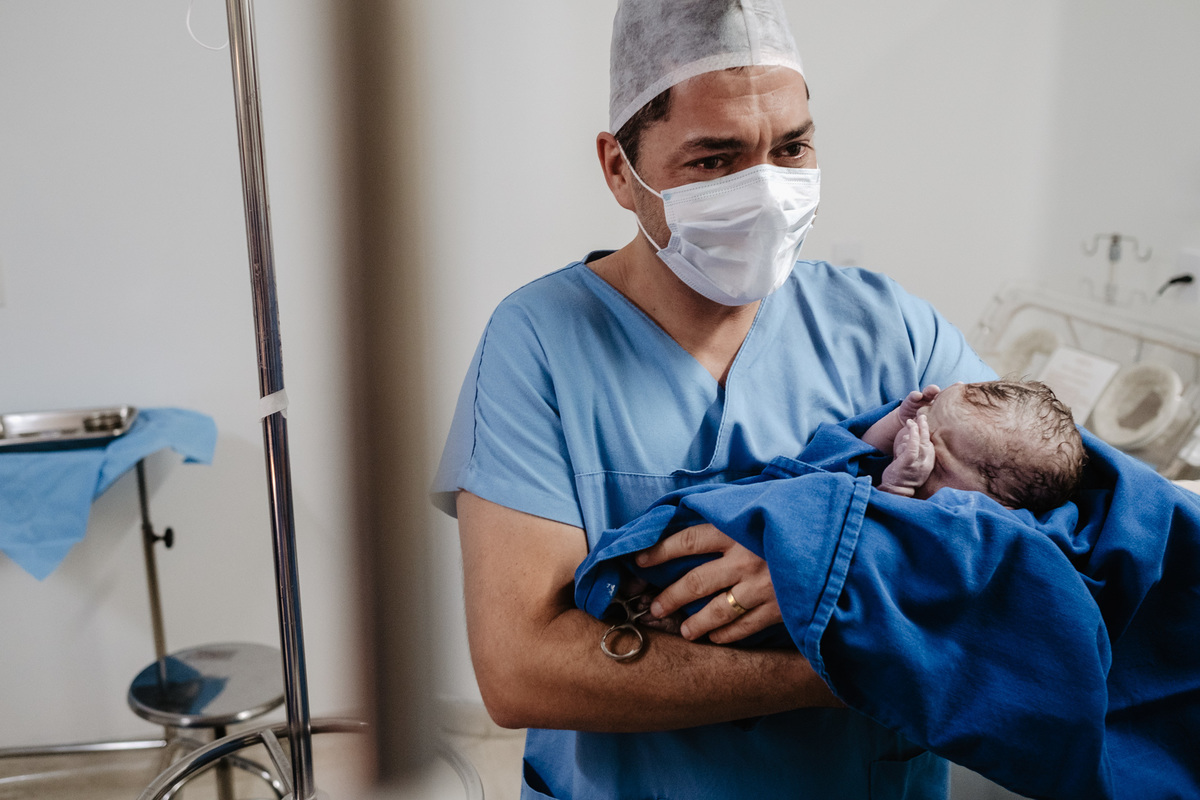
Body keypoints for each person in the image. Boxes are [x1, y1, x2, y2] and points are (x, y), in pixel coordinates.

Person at [433, 1, 995, 797]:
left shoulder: (888, 329)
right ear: (618, 171)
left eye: (791, 147)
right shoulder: (542, 343)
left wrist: (837, 558)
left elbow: (1033, 536)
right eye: (715, 159)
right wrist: (859, 651)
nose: (765, 191)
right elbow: (522, 670)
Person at [861, 379, 1085, 513]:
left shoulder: (969, 529)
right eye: (928, 411)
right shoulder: (907, 464)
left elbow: (876, 538)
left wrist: (894, 491)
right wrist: (899, 419)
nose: (911, 436)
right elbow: (859, 457)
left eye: (932, 443)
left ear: (994, 504)